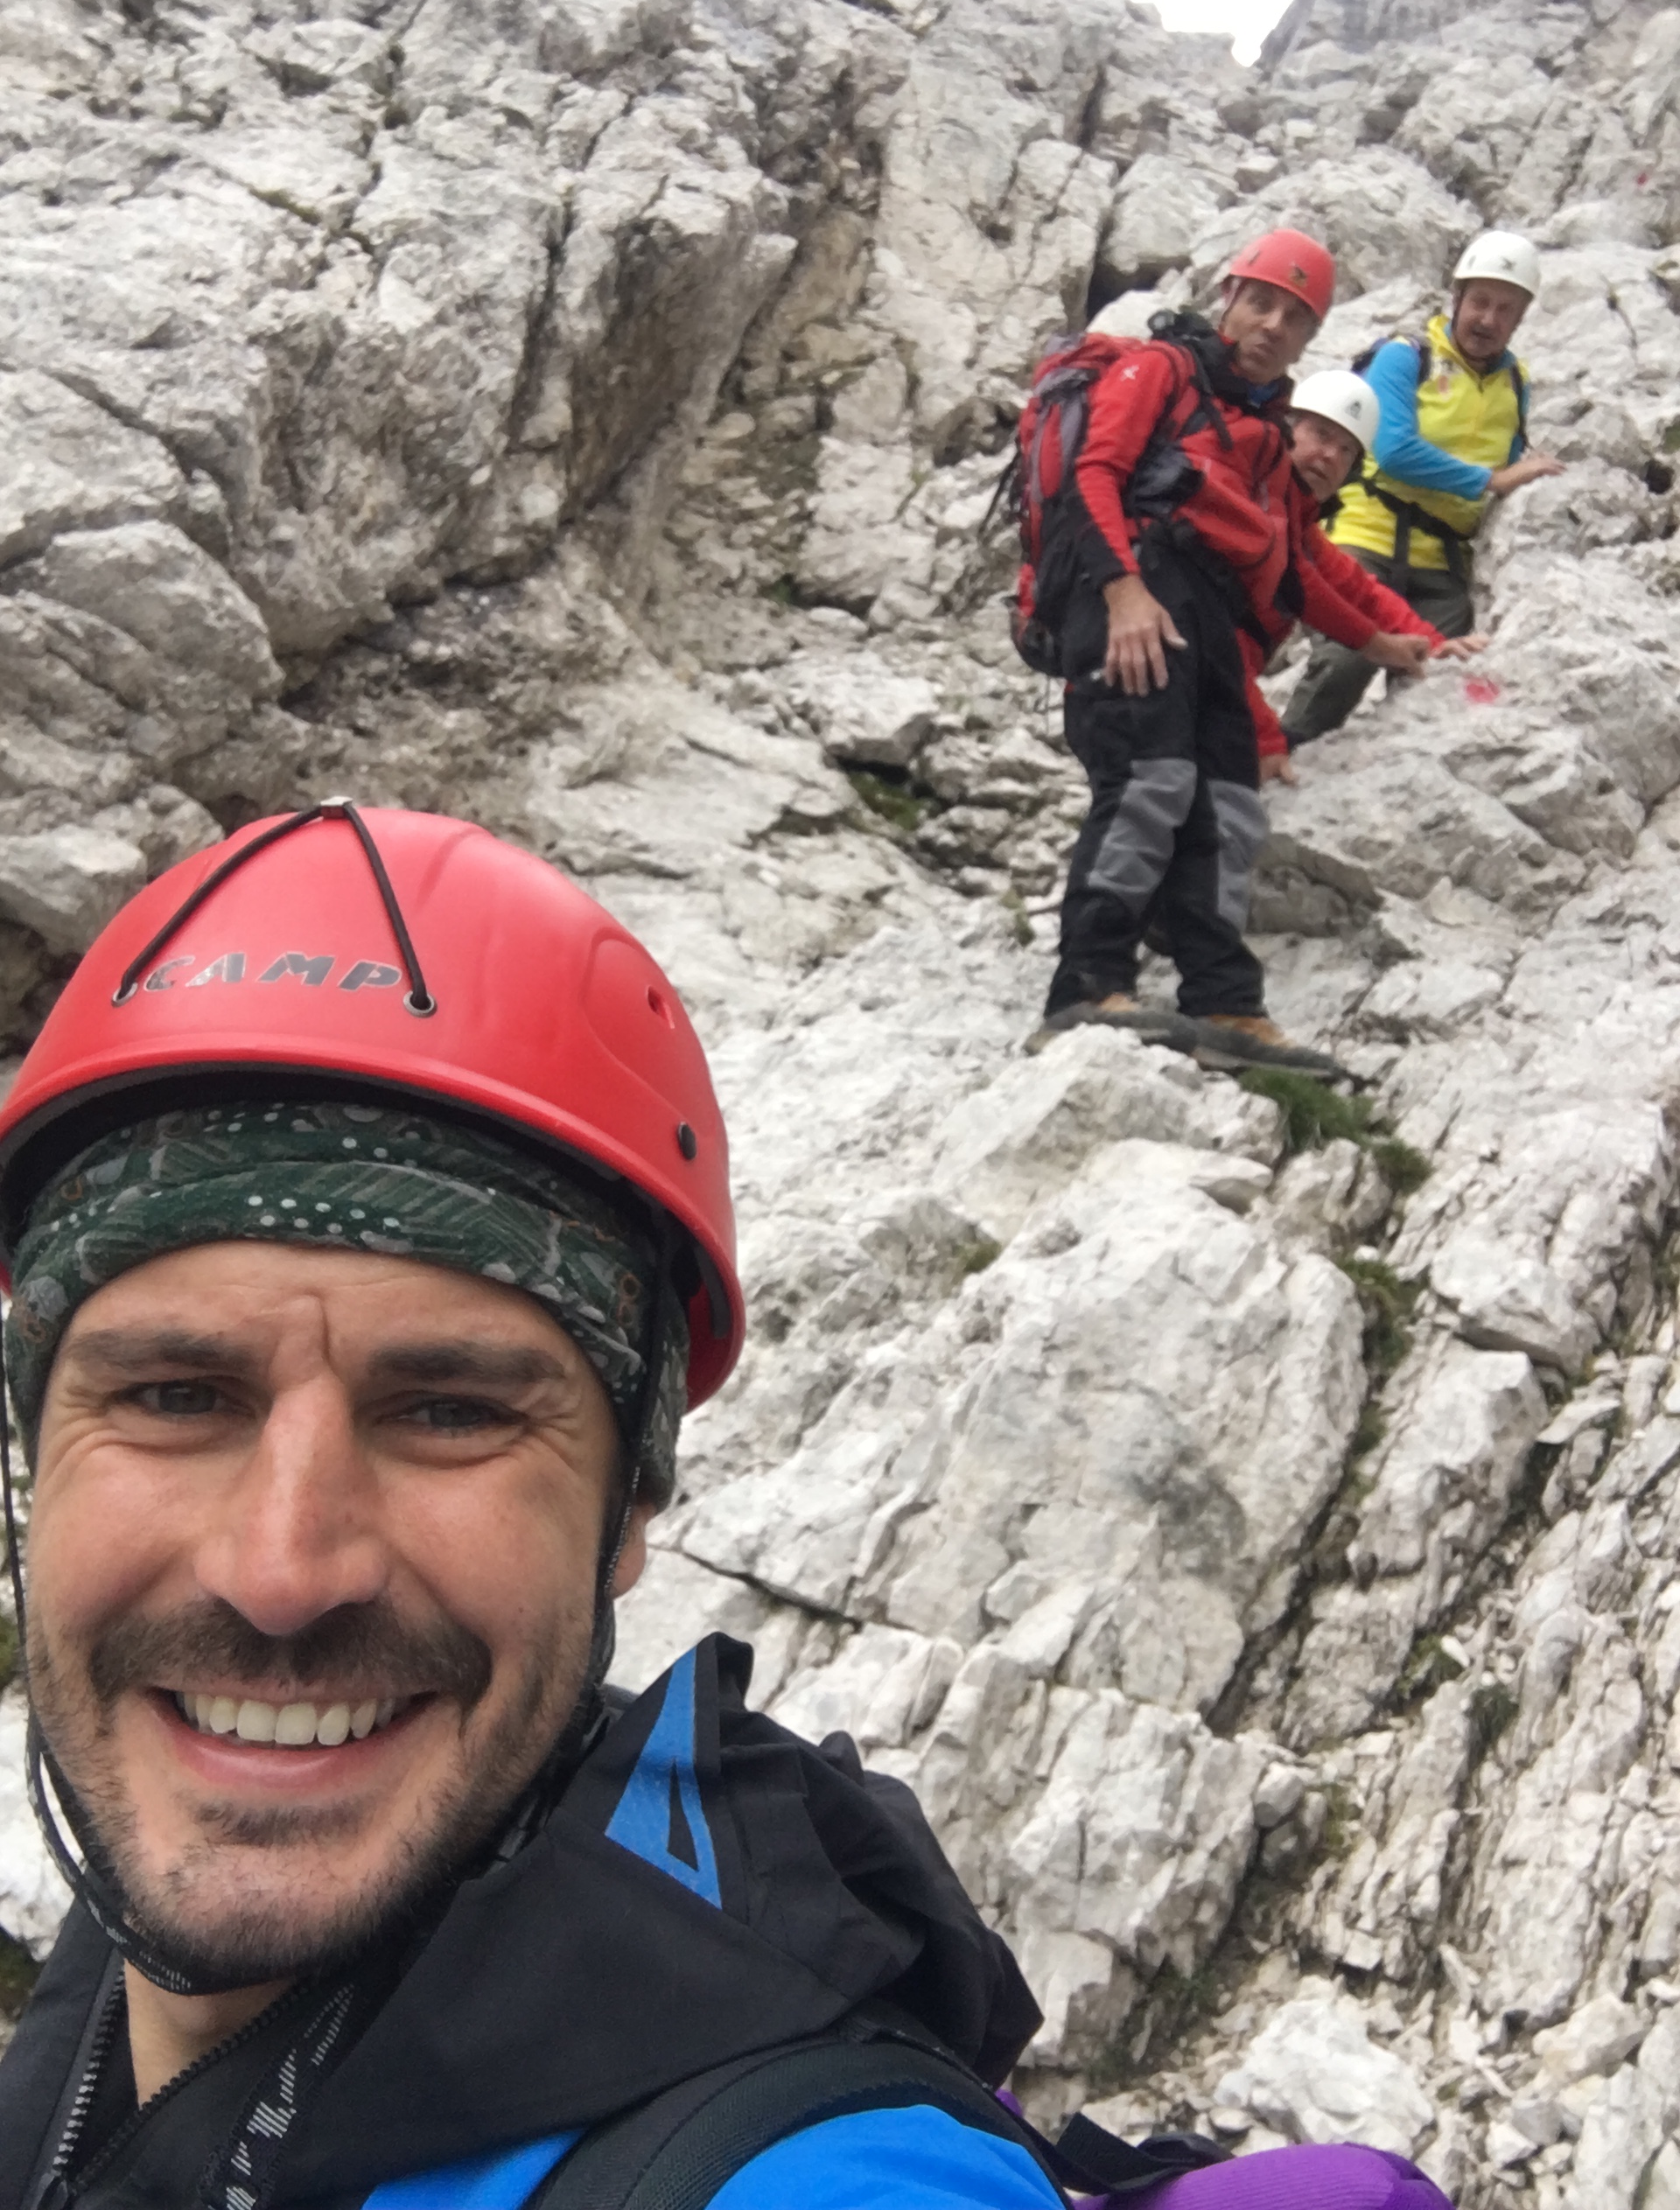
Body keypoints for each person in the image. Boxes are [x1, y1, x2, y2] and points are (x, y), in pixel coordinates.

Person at [0, 803, 1460, 2210]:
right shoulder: (125, 1961)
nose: (279, 1569)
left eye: (449, 1412)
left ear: (629, 1506)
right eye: (174, 1396)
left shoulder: (811, 2171)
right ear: (34, 1450)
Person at [1038, 229, 1360, 1077]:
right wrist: (1122, 592)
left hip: (1207, 615)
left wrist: (1391, 640)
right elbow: (1093, 475)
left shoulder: (1261, 426)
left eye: (1295, 318)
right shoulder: (1163, 369)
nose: (1272, 326)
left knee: (1228, 803)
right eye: (1261, 303)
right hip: (1132, 586)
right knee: (1150, 782)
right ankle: (1085, 985)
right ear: (1229, 297)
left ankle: (1224, 1001)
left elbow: (1298, 568)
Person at [1282, 230, 1562, 745]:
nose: (1488, 319)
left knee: (1440, 676)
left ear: (1521, 318)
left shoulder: (1515, 383)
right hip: (1366, 534)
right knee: (1347, 655)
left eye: (1505, 309)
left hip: (1444, 560)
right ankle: (1282, 754)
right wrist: (1490, 480)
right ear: (1457, 298)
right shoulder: (1407, 355)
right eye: (1480, 302)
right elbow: (1393, 449)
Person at [1245, 371, 1488, 781]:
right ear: (1286, 430)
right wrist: (1267, 741)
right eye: (1321, 435)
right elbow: (1215, 649)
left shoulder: (1293, 524)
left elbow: (1356, 589)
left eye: (1346, 451)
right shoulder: (1250, 508)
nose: (1330, 456)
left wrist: (1430, 643)